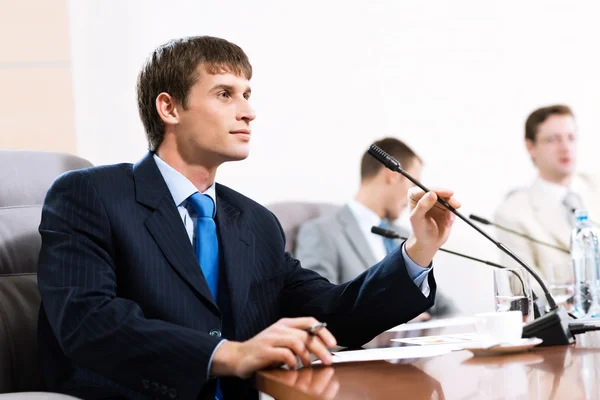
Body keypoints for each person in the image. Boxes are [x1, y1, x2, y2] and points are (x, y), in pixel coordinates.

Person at [37, 36, 460, 399]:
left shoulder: (254, 221)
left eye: (247, 94)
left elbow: (335, 314)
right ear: (169, 108)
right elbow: (88, 322)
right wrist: (229, 353)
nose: (248, 112)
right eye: (225, 94)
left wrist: (418, 249)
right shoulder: (90, 194)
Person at [295, 138, 455, 319]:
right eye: (413, 183)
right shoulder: (321, 232)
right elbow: (319, 307)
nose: (417, 194)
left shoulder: (405, 234)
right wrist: (398, 316)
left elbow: (440, 304)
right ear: (392, 175)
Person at [495, 105, 600, 300]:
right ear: (531, 147)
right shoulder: (512, 213)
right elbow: (524, 287)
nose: (565, 147)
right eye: (553, 140)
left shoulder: (596, 186)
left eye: (571, 137)